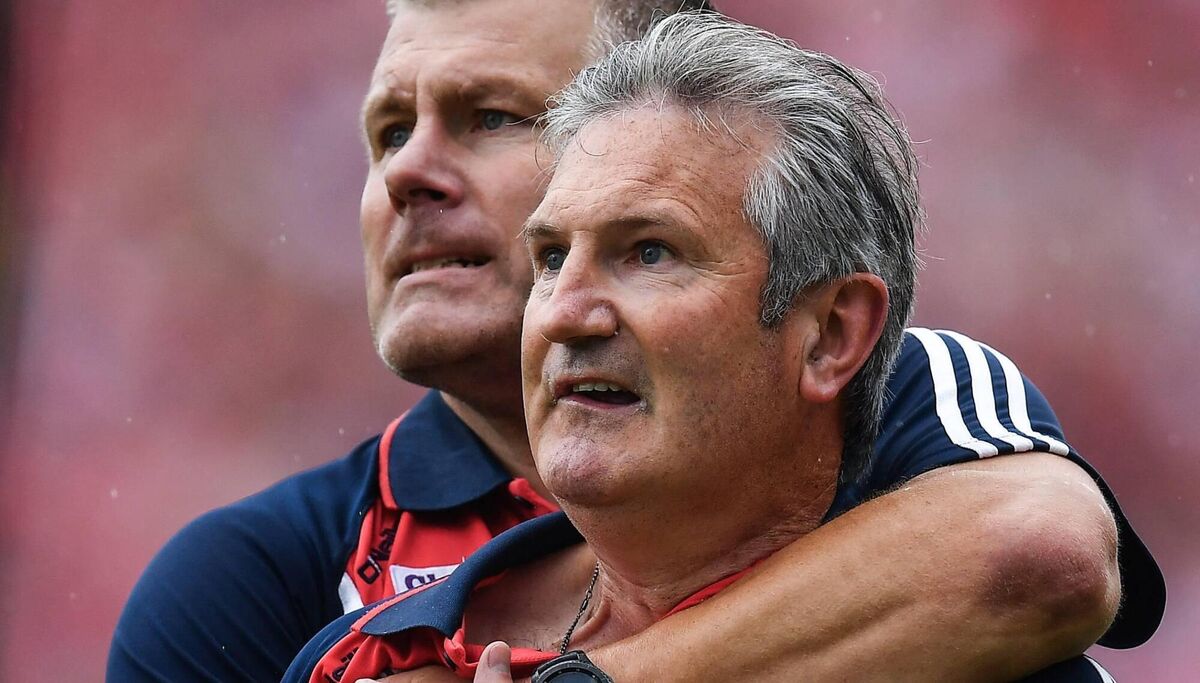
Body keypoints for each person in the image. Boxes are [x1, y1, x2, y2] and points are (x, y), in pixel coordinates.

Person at [107, 1, 1163, 682]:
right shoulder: (290, 597)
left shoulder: (904, 399)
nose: (405, 175)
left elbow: (1040, 554)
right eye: (388, 131)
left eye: (490, 116)